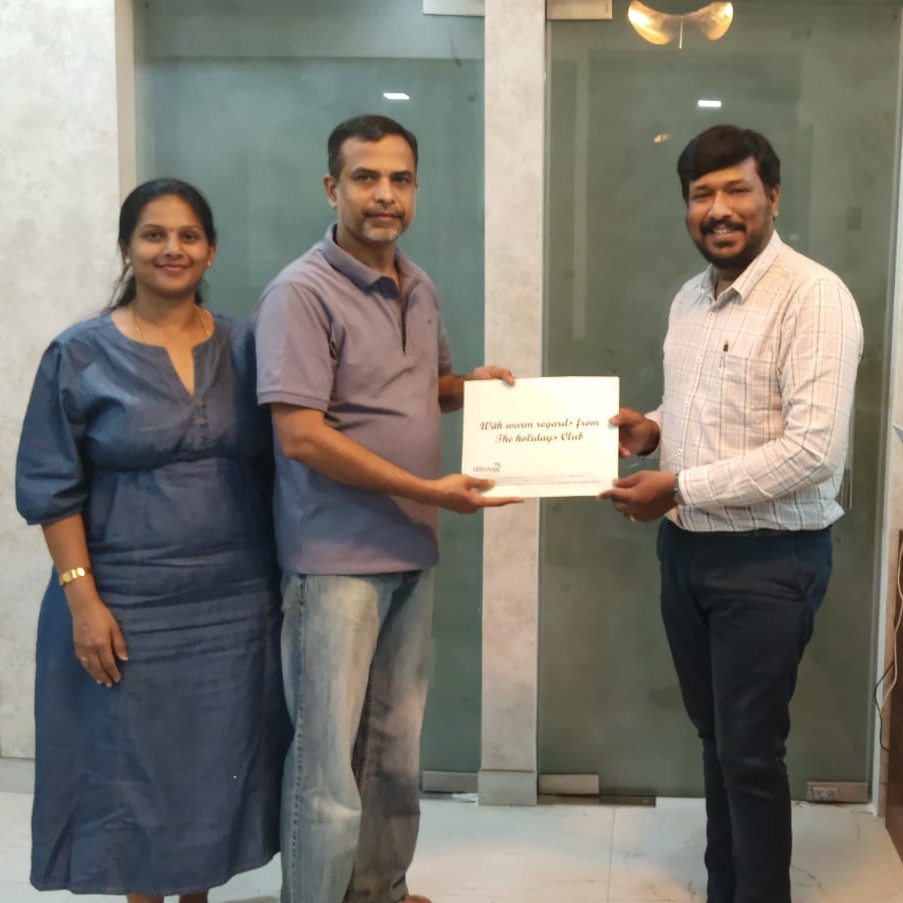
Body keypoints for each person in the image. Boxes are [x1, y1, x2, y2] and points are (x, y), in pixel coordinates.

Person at [254, 114, 519, 903]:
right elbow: (301, 434)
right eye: (365, 177)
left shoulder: (418, 284)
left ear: (415, 189)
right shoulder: (300, 292)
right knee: (326, 767)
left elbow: (421, 390)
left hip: (410, 552)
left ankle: (379, 891)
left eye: (399, 179)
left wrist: (472, 389)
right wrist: (429, 491)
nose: (384, 194)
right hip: (334, 562)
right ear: (331, 187)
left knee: (396, 754)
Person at [600, 125, 863, 903]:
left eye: (735, 189)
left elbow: (811, 452)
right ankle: (727, 887)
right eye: (701, 194)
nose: (718, 208)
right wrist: (651, 429)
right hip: (686, 555)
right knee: (717, 739)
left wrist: (677, 486)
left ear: (771, 197)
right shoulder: (689, 297)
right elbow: (698, 406)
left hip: (769, 559)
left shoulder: (814, 297)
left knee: (749, 752)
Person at [15, 178, 288, 903]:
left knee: (212, 773)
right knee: (135, 778)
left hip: (235, 606)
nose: (173, 248)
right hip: (126, 605)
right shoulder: (78, 353)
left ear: (211, 250)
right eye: (154, 234)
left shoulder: (247, 345)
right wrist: (83, 603)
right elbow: (50, 486)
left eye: (189, 235)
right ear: (126, 248)